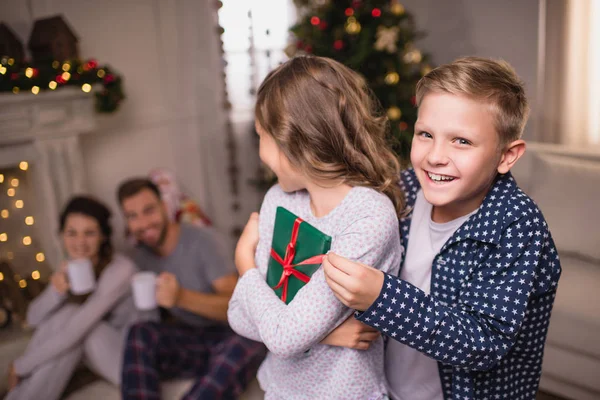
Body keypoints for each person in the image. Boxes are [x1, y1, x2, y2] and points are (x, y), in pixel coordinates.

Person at [322, 57, 562, 400]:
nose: (435, 156)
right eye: (426, 134)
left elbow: (484, 343)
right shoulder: (404, 190)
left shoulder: (517, 227)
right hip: (386, 388)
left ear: (506, 156)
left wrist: (382, 297)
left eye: (461, 141)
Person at [229, 55, 403, 400]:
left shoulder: (368, 217)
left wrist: (244, 263)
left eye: (261, 136)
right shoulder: (279, 200)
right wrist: (325, 334)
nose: (260, 152)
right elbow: (237, 315)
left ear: (292, 142)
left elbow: (282, 336)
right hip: (279, 389)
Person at [117, 178, 265, 400]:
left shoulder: (203, 241)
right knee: (139, 333)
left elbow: (239, 306)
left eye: (149, 210)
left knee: (250, 340)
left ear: (164, 207)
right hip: (192, 340)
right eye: (132, 216)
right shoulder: (141, 258)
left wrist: (181, 297)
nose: (143, 223)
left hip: (230, 333)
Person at [6, 196, 141, 400]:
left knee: (73, 319)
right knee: (61, 318)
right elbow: (34, 319)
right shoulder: (73, 268)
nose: (80, 242)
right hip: (97, 352)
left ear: (103, 236)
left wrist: (21, 365)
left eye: (90, 233)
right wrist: (55, 291)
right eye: (72, 233)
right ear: (61, 235)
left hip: (134, 360)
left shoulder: (121, 270)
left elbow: (76, 328)